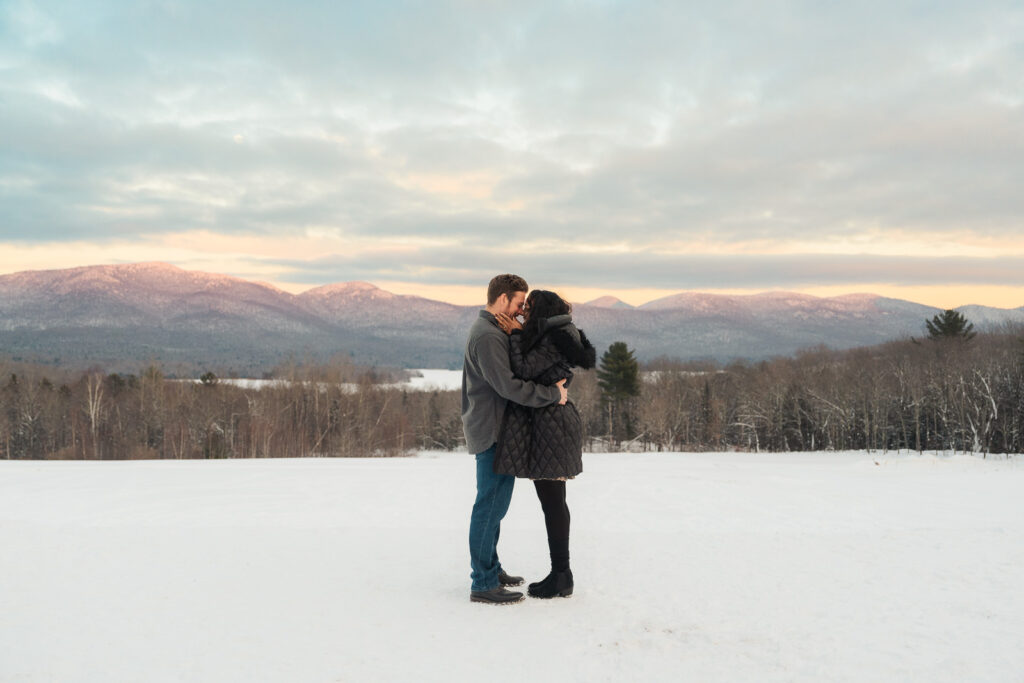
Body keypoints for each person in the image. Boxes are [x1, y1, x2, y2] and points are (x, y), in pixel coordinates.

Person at [462, 274, 568, 605]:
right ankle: (482, 582)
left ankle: (491, 570)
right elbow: (508, 386)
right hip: (492, 429)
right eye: (519, 303)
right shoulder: (488, 337)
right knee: (489, 507)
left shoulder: (494, 330)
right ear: (504, 298)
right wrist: (553, 394)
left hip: (496, 428)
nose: (522, 310)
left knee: (494, 506)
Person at [492, 290, 596, 599]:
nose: (524, 311)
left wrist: (513, 334)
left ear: (543, 310)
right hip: (553, 422)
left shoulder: (554, 338)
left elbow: (523, 369)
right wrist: (521, 327)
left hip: (553, 424)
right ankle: (561, 574)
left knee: (552, 502)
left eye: (530, 307)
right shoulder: (556, 332)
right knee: (554, 501)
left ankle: (561, 576)